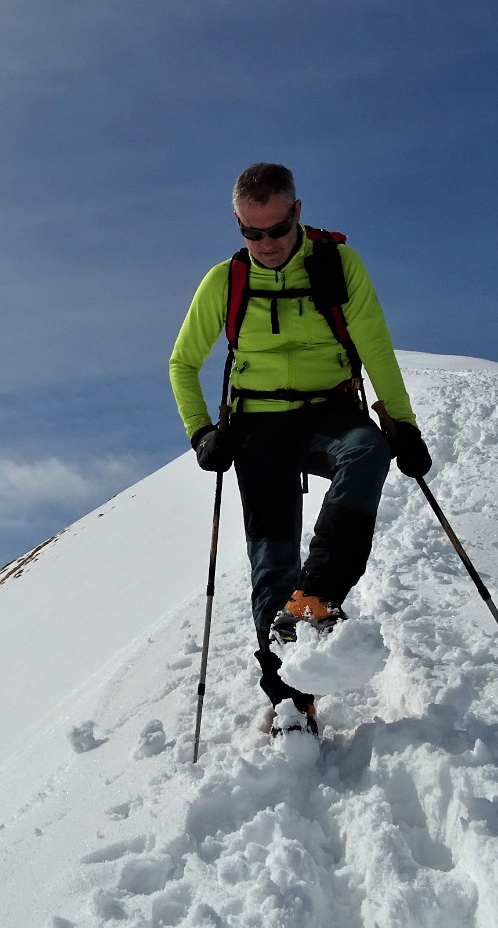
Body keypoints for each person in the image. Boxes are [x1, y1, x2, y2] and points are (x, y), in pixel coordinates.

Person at [168, 162, 432, 734]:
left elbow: (376, 345)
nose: (264, 244)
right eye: (250, 232)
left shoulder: (337, 265)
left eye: (275, 230)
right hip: (259, 424)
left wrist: (404, 427)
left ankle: (315, 597)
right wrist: (200, 433)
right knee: (271, 563)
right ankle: (290, 701)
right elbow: (183, 364)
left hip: (328, 411)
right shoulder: (226, 281)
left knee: (367, 451)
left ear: (298, 213)